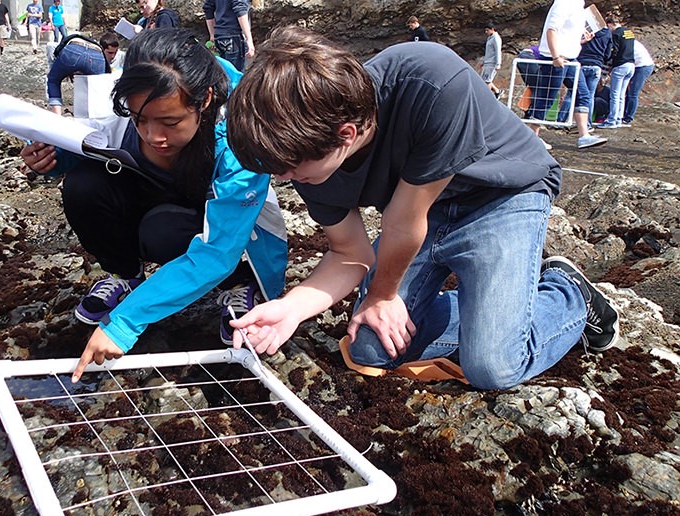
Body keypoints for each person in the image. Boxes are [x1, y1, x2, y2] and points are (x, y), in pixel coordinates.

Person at [225, 26, 620, 391]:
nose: (283, 178)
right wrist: (291, 309)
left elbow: (404, 222)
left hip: (503, 195)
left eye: (290, 169)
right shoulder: (306, 159)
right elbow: (349, 252)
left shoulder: (429, 79)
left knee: (494, 366)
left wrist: (382, 296)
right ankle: (496, 310)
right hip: (423, 216)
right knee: (370, 349)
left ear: (345, 135)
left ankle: (570, 295)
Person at [20, 29, 287, 381]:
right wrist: (55, 160)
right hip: (157, 194)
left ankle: (240, 284)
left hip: (229, 228)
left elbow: (220, 247)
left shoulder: (242, 132)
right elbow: (96, 140)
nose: (153, 136)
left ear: (204, 100)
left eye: (170, 122)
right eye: (140, 120)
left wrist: (124, 323)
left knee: (164, 234)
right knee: (83, 185)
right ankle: (125, 277)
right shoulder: (130, 92)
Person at [526, 0, 586, 149]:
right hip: (556, 58)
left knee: (582, 93)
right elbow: (551, 29)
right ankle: (531, 138)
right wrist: (555, 57)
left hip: (570, 57)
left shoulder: (579, 5)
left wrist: (583, 39)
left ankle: (584, 135)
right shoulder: (563, 3)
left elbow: (568, 33)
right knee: (547, 96)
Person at [556, 26, 611, 148]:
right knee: (588, 96)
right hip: (596, 65)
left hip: (581, 63)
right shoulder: (606, 33)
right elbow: (608, 53)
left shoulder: (584, 30)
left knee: (572, 93)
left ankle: (560, 120)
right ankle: (587, 125)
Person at [45, 33, 110, 114]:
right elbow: (107, 75)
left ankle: (57, 116)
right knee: (99, 89)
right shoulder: (98, 47)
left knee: (53, 80)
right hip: (96, 55)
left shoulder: (61, 45)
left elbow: (56, 55)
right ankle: (97, 116)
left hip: (73, 50)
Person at [600, 13, 635, 128]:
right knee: (621, 94)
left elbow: (614, 50)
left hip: (620, 65)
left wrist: (608, 60)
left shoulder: (616, 34)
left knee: (614, 94)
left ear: (610, 24)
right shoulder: (629, 32)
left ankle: (612, 120)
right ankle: (619, 118)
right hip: (631, 65)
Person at [203, 0, 255, 72]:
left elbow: (208, 8)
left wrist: (212, 34)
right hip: (235, 36)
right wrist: (249, 39)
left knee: (224, 75)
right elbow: (240, 9)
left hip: (219, 36)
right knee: (236, 76)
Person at [623, 38, 654, 124]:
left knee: (633, 93)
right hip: (637, 66)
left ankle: (628, 117)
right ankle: (624, 113)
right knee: (627, 92)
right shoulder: (628, 41)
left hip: (643, 67)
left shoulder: (626, 43)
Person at [481, 22, 502, 97]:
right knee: (484, 80)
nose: (486, 32)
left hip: (492, 63)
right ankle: (497, 91)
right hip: (487, 62)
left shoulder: (496, 38)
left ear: (492, 29)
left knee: (487, 81)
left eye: (487, 30)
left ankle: (487, 97)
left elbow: (498, 51)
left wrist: (498, 64)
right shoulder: (490, 38)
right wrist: (483, 62)